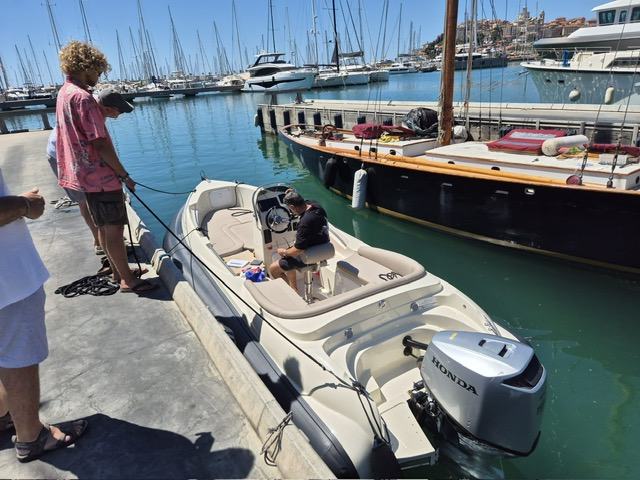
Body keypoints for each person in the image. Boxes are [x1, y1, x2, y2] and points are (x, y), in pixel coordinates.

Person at [0, 169, 87, 462]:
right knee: (19, 356)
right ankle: (31, 437)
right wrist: (24, 205)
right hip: (9, 282)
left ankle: (3, 414)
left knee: (5, 351)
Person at [55, 40, 154, 293]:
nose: (98, 77)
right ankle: (127, 280)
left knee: (102, 226)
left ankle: (117, 272)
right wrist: (124, 174)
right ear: (86, 66)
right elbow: (99, 143)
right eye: (97, 71)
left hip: (83, 175)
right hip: (100, 176)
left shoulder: (64, 93)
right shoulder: (84, 99)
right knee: (114, 229)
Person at [47, 89, 135, 258]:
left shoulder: (95, 104)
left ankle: (107, 245)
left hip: (76, 154)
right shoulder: (90, 108)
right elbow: (101, 146)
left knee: (95, 206)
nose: (120, 115)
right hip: (62, 154)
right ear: (108, 108)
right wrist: (124, 175)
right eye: (120, 111)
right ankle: (100, 242)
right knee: (85, 201)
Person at [268, 189, 330, 291]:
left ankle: (292, 292)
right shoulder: (316, 206)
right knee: (288, 253)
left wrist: (284, 252)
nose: (290, 211)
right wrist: (292, 192)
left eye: (290, 208)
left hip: (309, 255)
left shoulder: (304, 223)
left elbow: (298, 250)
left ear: (292, 207)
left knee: (274, 268)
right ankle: (294, 288)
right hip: (324, 247)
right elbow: (305, 201)